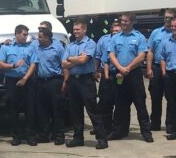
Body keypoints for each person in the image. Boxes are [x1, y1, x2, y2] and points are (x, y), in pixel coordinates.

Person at [62, 20, 108, 149]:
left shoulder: (90, 43)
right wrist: (75, 59)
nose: (76, 32)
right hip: (73, 81)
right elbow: (63, 63)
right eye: (74, 29)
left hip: (86, 81)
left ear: (84, 30)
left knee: (93, 110)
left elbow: (84, 60)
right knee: (75, 111)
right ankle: (78, 138)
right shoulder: (70, 45)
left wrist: (71, 58)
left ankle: (101, 138)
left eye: (78, 29)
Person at [110, 12, 153, 142]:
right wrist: (120, 68)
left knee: (140, 105)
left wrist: (127, 68)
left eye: (126, 21)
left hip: (133, 75)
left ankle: (146, 133)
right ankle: (120, 131)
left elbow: (141, 56)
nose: (123, 23)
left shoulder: (139, 37)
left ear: (132, 22)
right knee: (120, 106)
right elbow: (111, 54)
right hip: (119, 74)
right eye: (122, 21)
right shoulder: (115, 38)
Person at [0, 25, 36, 145]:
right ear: (17, 34)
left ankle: (30, 135)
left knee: (30, 109)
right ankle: (16, 136)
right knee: (12, 109)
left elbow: (33, 64)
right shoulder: (6, 47)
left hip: (27, 80)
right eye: (24, 34)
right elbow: (0, 64)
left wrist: (25, 78)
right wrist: (12, 66)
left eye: (26, 35)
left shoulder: (30, 47)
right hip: (11, 81)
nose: (26, 37)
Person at [28, 28, 65, 144]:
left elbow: (64, 64)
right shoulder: (35, 46)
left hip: (54, 81)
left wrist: (65, 81)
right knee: (42, 109)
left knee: (57, 109)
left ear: (47, 38)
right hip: (40, 81)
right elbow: (24, 48)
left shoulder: (58, 47)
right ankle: (44, 135)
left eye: (40, 37)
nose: (38, 39)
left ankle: (58, 135)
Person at [146, 9, 176, 131]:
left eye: (170, 18)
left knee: (171, 98)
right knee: (155, 97)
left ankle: (170, 125)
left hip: (170, 68)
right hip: (157, 67)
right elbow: (150, 51)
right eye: (166, 18)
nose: (168, 20)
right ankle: (155, 124)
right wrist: (149, 68)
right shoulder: (156, 32)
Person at [96, 20, 122, 137]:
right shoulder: (103, 40)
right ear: (111, 30)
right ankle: (103, 127)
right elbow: (98, 56)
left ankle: (116, 128)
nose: (116, 32)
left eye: (118, 30)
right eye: (114, 30)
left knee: (119, 102)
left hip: (119, 74)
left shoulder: (123, 40)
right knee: (104, 102)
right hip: (106, 74)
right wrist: (97, 71)